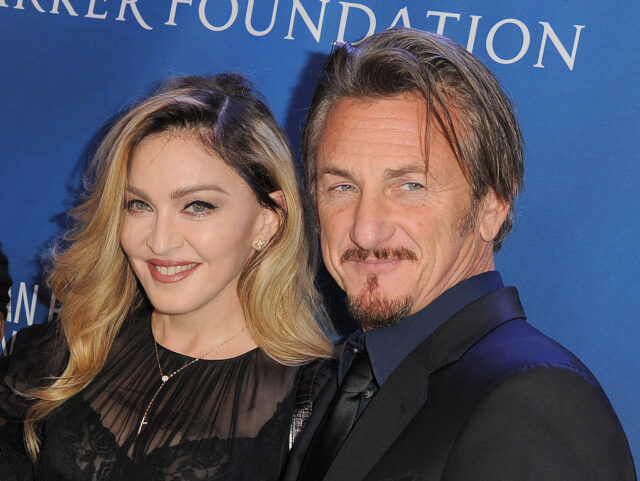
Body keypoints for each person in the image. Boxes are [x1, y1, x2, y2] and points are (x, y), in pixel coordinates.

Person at [283, 28, 636, 481]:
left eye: (410, 186)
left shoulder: (532, 402)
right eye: (342, 187)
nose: (366, 228)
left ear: (492, 206)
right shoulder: (338, 378)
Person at [0, 74, 334, 480]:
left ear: (268, 221)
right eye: (139, 204)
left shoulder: (316, 407)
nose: (159, 242)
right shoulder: (64, 354)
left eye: (196, 206)